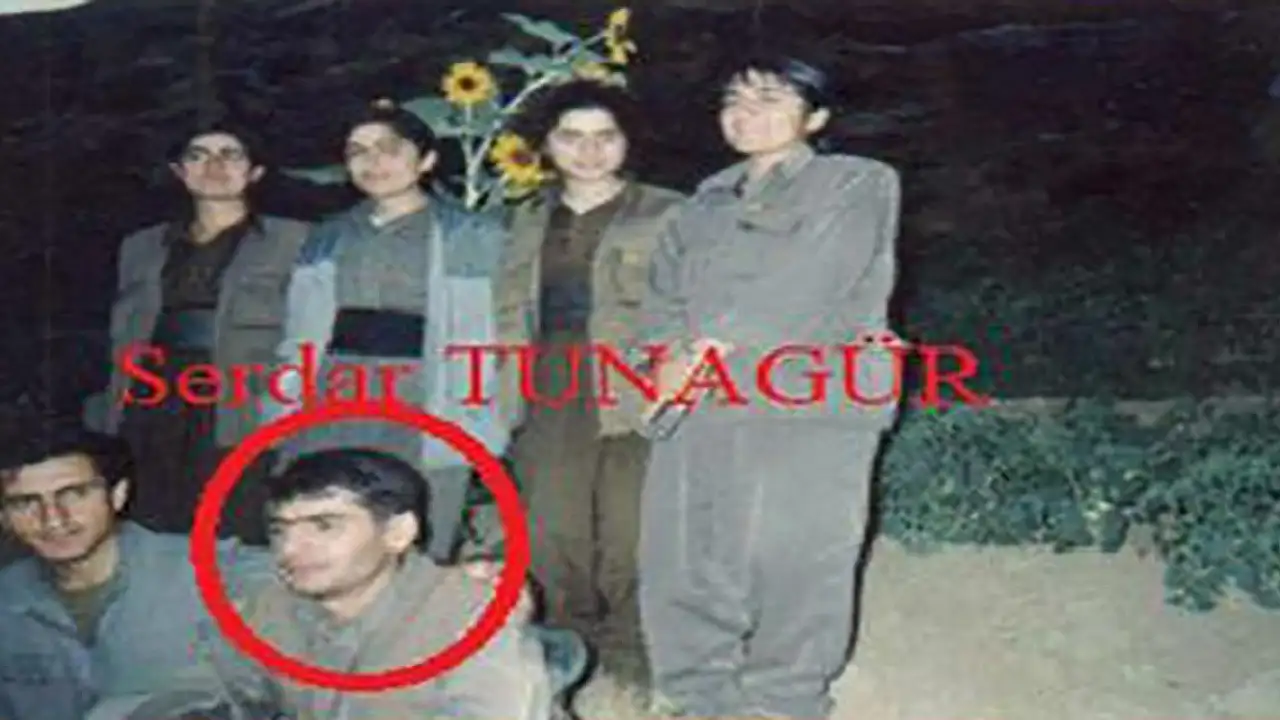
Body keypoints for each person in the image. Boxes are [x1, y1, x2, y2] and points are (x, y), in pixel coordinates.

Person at [634, 52, 903, 718]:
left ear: (817, 116)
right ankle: (700, 695)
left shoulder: (855, 182)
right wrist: (667, 354)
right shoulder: (701, 203)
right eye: (734, 100)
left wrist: (702, 350)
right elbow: (661, 292)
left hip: (810, 397)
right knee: (686, 552)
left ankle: (786, 698)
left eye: (770, 99)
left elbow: (813, 279)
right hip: (700, 399)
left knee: (798, 556)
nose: (746, 114)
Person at [125, 448, 553, 720]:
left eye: (324, 526)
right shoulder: (269, 609)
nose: (291, 548)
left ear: (398, 532)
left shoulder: (468, 617)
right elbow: (201, 690)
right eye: (280, 530)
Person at [263, 99, 512, 564]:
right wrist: (285, 405)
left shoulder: (475, 235)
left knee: (416, 522)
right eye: (358, 151)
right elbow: (299, 333)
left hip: (428, 388)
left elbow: (504, 328)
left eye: (389, 148)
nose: (373, 161)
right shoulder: (328, 235)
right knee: (330, 511)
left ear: (427, 159)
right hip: (337, 388)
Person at [496, 79, 684, 661]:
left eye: (606, 136)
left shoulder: (672, 212)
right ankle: (568, 651)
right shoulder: (523, 218)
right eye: (571, 136)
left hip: (636, 380)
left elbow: (700, 300)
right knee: (551, 525)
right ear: (546, 144)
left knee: (632, 526)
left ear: (628, 142)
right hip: (546, 379)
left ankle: (633, 653)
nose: (589, 151)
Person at [84, 120, 308, 543]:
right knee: (148, 520)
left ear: (255, 172)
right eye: (198, 155)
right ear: (179, 171)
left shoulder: (295, 240)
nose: (214, 166)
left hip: (239, 396)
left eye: (230, 155)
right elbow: (121, 331)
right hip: (152, 397)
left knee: (234, 518)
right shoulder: (141, 245)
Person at [0, 418, 272, 720]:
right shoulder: (7, 601)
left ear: (117, 495)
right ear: (4, 517)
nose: (53, 518)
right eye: (25, 503)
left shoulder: (221, 573)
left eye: (74, 494)